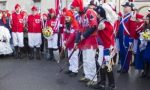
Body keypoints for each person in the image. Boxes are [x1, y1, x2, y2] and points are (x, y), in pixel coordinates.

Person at [71, 0, 98, 86]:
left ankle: (94, 78)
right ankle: (87, 76)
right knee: (85, 59)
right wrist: (76, 42)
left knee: (90, 60)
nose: (75, 9)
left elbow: (94, 26)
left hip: (91, 39)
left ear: (80, 5)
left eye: (75, 7)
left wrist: (84, 35)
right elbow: (79, 30)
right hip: (84, 40)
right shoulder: (80, 16)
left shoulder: (90, 11)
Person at [117, 2, 137, 73]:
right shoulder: (123, 17)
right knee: (122, 52)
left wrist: (131, 39)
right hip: (121, 37)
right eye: (124, 7)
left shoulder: (132, 16)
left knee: (126, 53)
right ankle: (122, 66)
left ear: (130, 8)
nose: (124, 8)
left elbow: (133, 29)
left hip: (127, 38)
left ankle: (125, 68)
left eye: (126, 6)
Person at [63, 10, 79, 77]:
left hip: (74, 43)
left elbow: (72, 36)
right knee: (70, 57)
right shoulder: (66, 23)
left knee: (74, 57)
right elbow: (65, 33)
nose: (66, 19)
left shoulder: (74, 23)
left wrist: (66, 44)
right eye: (66, 17)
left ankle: (75, 71)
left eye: (67, 17)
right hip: (69, 43)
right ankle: (71, 69)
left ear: (71, 17)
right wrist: (64, 41)